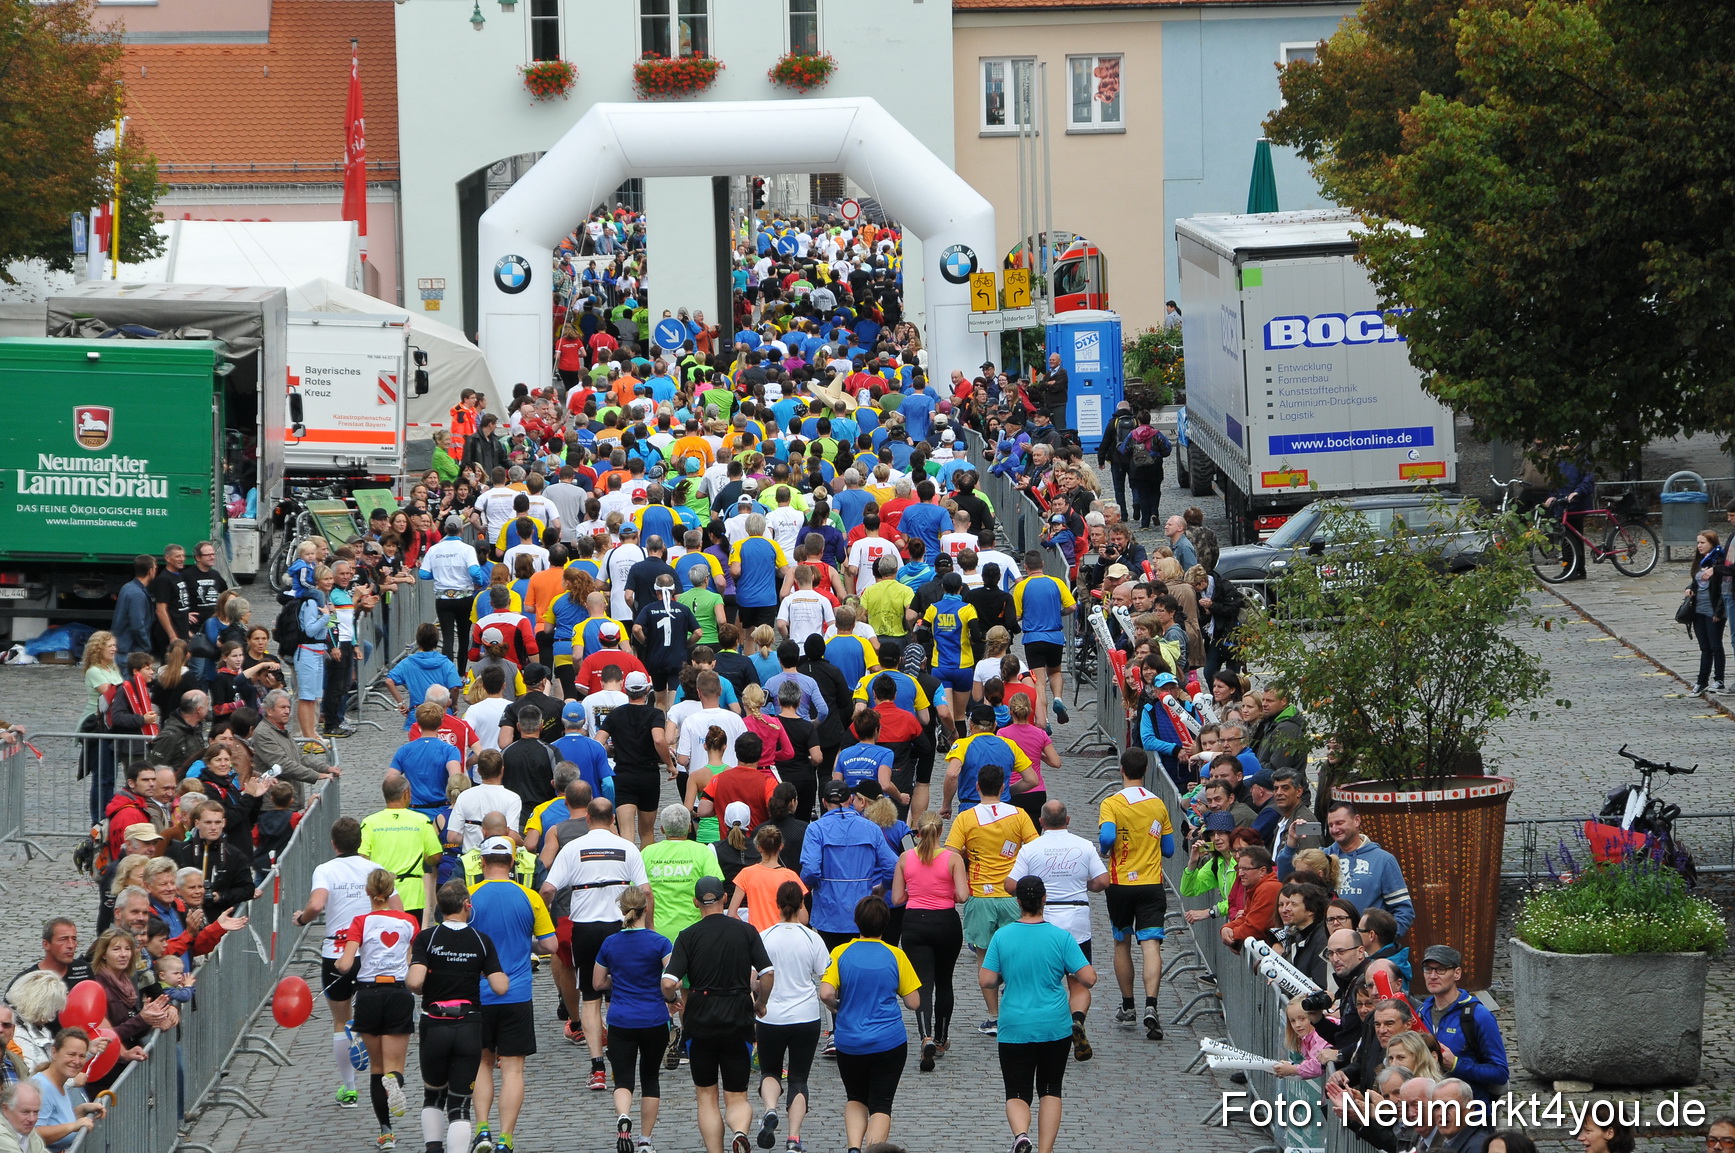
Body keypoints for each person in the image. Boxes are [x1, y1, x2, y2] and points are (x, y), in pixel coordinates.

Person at [542, 798, 653, 1092]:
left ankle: (597, 1068)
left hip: (586, 929)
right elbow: (645, 892)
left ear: (588, 819)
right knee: (618, 994)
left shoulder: (573, 848)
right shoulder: (627, 847)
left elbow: (548, 888)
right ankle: (620, 1062)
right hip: (621, 928)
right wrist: (650, 929)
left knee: (590, 997)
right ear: (612, 819)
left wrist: (546, 914)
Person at [980, 876, 1096, 1153]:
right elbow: (1088, 978)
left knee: (1016, 1092)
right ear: (1044, 899)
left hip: (1015, 1026)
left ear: (1017, 902)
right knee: (1050, 1089)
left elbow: (986, 980)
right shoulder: (1061, 937)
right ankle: (1045, 1150)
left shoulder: (1002, 937)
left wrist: (1003, 977)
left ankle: (1021, 1135)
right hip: (1054, 1025)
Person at [661, 875, 775, 1153]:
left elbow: (667, 982)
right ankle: (739, 1132)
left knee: (707, 1097)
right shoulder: (746, 931)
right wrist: (760, 1002)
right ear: (725, 898)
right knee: (737, 1095)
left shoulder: (688, 936)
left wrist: (674, 999)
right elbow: (767, 973)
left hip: (700, 1018)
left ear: (696, 902)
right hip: (738, 1013)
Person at [467, 834, 557, 1153]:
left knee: (481, 1063)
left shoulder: (469, 897)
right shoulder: (529, 896)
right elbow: (551, 945)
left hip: (477, 994)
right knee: (513, 1068)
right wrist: (525, 943)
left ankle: (481, 1129)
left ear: (482, 862)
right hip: (516, 993)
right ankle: (506, 1136)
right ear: (512, 862)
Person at [408, 878, 509, 1153]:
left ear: (440, 908)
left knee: (433, 1094)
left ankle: (433, 1148)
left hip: (435, 1024)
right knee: (460, 1103)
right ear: (467, 905)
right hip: (468, 1024)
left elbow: (415, 982)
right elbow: (500, 987)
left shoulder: (427, 938)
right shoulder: (480, 940)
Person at [1006, 800, 1108, 1062]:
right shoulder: (1084, 846)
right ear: (1068, 820)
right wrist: (1084, 884)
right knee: (1079, 980)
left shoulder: (1031, 848)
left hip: (1045, 919)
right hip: (1076, 920)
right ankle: (1077, 1020)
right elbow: (1102, 881)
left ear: (1040, 822)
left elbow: (1010, 884)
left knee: (1044, 979)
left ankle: (1042, 1030)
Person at [291, 817, 382, 1111]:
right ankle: (382, 1077)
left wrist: (302, 918)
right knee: (374, 1017)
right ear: (360, 841)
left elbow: (317, 905)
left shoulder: (326, 870)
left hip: (337, 951)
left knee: (340, 1021)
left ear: (333, 844)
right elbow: (397, 908)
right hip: (370, 951)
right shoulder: (374, 869)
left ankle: (349, 1088)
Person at [818, 897, 921, 1153]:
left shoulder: (840, 952)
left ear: (856, 922)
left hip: (850, 1040)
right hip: (889, 1041)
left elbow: (826, 993)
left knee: (855, 1097)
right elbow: (914, 1002)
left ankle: (853, 1148)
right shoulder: (895, 955)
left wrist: (840, 1008)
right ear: (885, 924)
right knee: (881, 1104)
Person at [944, 762, 1038, 1037]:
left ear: (976, 787)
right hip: (1013, 896)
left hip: (980, 895)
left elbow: (950, 854)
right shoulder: (1019, 815)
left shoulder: (966, 818)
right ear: (1004, 787)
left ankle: (994, 1017)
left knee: (984, 958)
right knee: (1017, 955)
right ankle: (1017, 1010)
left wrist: (969, 854)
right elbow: (1033, 849)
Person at [333, 868, 422, 1149]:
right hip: (398, 993)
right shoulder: (409, 922)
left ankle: (386, 1132)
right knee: (393, 1068)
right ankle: (394, 1083)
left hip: (369, 995)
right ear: (391, 890)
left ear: (368, 893)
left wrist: (338, 965)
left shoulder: (361, 921)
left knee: (376, 1068)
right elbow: (413, 959)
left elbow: (346, 964)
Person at [1095, 747, 1174, 1041]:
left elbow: (1107, 837)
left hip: (1120, 884)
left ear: (1121, 769)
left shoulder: (1112, 802)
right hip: (1151, 884)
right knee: (1151, 944)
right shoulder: (1158, 805)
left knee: (1121, 943)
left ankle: (1128, 1005)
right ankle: (1151, 1005)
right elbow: (1168, 849)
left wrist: (1105, 850)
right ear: (1146, 770)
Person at [593, 887, 674, 1153]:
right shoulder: (660, 942)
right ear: (645, 909)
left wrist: (618, 979)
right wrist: (671, 999)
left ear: (622, 909)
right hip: (653, 1019)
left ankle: (622, 1116)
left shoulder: (610, 943)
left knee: (623, 1080)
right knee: (650, 1079)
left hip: (621, 1020)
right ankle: (645, 1141)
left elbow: (597, 983)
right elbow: (670, 981)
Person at [753, 881, 828, 1153]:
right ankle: (794, 1139)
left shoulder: (764, 936)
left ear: (776, 905)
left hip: (770, 1016)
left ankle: (770, 1108)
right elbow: (825, 976)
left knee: (770, 1071)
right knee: (798, 1079)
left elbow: (753, 980)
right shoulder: (812, 938)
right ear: (801, 905)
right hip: (805, 1017)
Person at [890, 811, 967, 1073]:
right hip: (946, 922)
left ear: (918, 832)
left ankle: (925, 1037)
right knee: (945, 981)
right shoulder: (953, 858)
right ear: (941, 832)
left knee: (922, 982)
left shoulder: (905, 859)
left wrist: (916, 890)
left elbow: (897, 898)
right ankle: (942, 1038)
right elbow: (963, 895)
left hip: (914, 923)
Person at [800, 780, 900, 953]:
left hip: (827, 911)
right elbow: (892, 866)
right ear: (851, 799)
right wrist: (883, 887)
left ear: (824, 802)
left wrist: (812, 887)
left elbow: (810, 870)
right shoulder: (871, 828)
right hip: (861, 911)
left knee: (832, 964)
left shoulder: (816, 829)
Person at [1417, 945, 1509, 1100]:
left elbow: (1500, 1073)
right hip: (1432, 1113)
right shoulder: (1422, 1012)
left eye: (1441, 970)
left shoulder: (1479, 1016)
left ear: (1457, 973)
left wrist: (1456, 1065)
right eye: (1428, 969)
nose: (1433, 976)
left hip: (1470, 1113)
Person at [360, 774, 444, 928]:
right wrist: (425, 859)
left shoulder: (369, 822)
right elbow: (436, 855)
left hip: (381, 892)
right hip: (412, 894)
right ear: (406, 794)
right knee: (410, 941)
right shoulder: (421, 820)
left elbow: (362, 856)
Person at [1322, 801, 1414, 935]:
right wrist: (1291, 844)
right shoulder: (1323, 857)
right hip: (1333, 948)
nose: (1335, 829)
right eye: (1331, 825)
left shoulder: (1383, 860)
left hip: (1370, 950)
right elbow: (1287, 877)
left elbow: (1404, 911)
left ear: (1357, 820)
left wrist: (1383, 942)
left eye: (1340, 823)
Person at [1010, 552, 1073, 725]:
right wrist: (1058, 613)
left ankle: (1044, 719)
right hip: (1055, 637)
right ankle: (1058, 699)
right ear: (1043, 564)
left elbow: (1016, 615)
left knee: (1038, 682)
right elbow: (1072, 606)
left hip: (1033, 638)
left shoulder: (1021, 587)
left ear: (1026, 567)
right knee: (1055, 672)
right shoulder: (1057, 582)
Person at [28, 1029, 106, 1152]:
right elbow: (32, 1134)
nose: (76, 1061)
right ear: (54, 1053)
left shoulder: (60, 1082)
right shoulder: (41, 1087)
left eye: (82, 1056)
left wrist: (81, 1110)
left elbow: (55, 1121)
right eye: (71, 1054)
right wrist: (73, 1126)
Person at [1689, 530, 1726, 695]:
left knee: (1715, 645)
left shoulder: (1719, 563)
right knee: (1704, 647)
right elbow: (1695, 582)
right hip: (1698, 610)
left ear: (1712, 543)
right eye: (1698, 543)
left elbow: (1722, 590)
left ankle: (1719, 679)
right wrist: (1689, 589)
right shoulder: (1699, 562)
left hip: (1713, 611)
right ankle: (1701, 681)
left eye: (1703, 542)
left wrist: (1719, 611)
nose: (1699, 546)